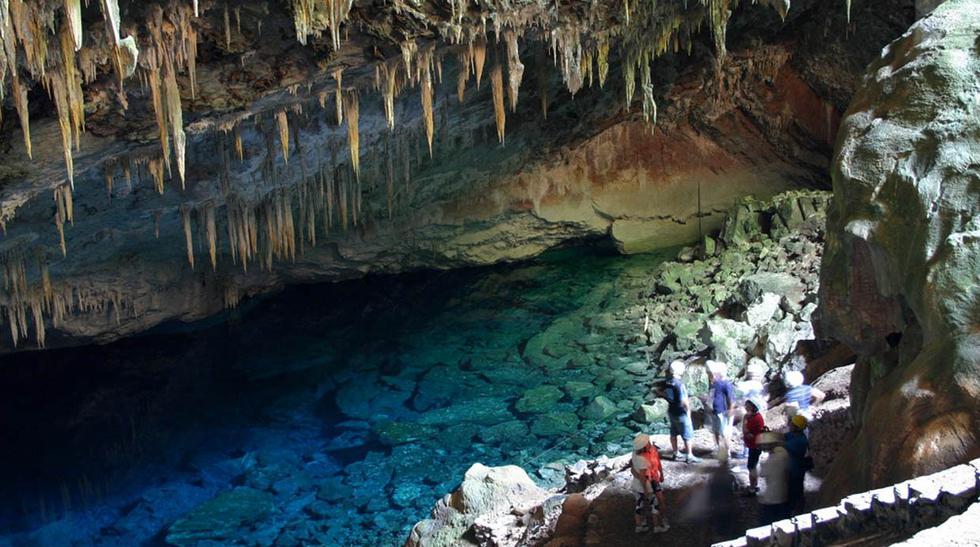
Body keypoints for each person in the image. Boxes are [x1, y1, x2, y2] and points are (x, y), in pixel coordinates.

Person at [630, 433, 669, 533]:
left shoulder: (637, 453)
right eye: (647, 442)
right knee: (654, 504)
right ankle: (657, 526)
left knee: (640, 504)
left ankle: (641, 525)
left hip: (648, 480)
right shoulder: (642, 460)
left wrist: (661, 473)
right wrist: (646, 489)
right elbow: (643, 476)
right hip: (647, 483)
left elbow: (633, 469)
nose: (649, 443)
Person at [664, 360, 700, 463]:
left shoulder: (668, 382)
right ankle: (689, 456)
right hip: (680, 412)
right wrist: (688, 412)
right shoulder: (679, 384)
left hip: (671, 410)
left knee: (673, 432)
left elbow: (666, 395)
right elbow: (684, 401)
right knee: (687, 434)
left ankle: (676, 453)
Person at [734, 359, 768, 459]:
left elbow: (737, 397)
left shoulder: (742, 385)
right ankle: (759, 450)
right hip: (759, 413)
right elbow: (764, 398)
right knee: (758, 432)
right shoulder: (760, 386)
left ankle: (745, 451)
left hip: (746, 412)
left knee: (746, 432)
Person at [757, 431, 791, 525]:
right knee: (783, 519)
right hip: (783, 493)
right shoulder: (784, 453)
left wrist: (762, 461)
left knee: (768, 521)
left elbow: (762, 473)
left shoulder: (770, 460)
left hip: (772, 496)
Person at [784, 413, 811, 514]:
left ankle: (797, 510)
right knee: (794, 489)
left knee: (796, 490)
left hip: (796, 470)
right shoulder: (794, 435)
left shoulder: (800, 441)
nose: (789, 425)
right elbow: (784, 436)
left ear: (797, 427)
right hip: (793, 468)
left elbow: (784, 444)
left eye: (792, 424)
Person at [707, 360, 736, 453]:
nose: (712, 375)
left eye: (714, 373)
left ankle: (727, 451)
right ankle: (718, 447)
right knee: (715, 430)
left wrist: (730, 410)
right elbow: (712, 396)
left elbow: (731, 399)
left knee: (724, 432)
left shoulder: (726, 384)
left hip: (722, 412)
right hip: (715, 411)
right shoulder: (714, 384)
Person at [741, 396, 766, 496]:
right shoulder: (752, 416)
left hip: (755, 446)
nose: (745, 406)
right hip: (754, 445)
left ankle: (752, 489)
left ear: (752, 406)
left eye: (747, 405)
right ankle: (754, 485)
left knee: (751, 466)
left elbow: (747, 432)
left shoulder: (756, 418)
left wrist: (744, 421)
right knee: (753, 465)